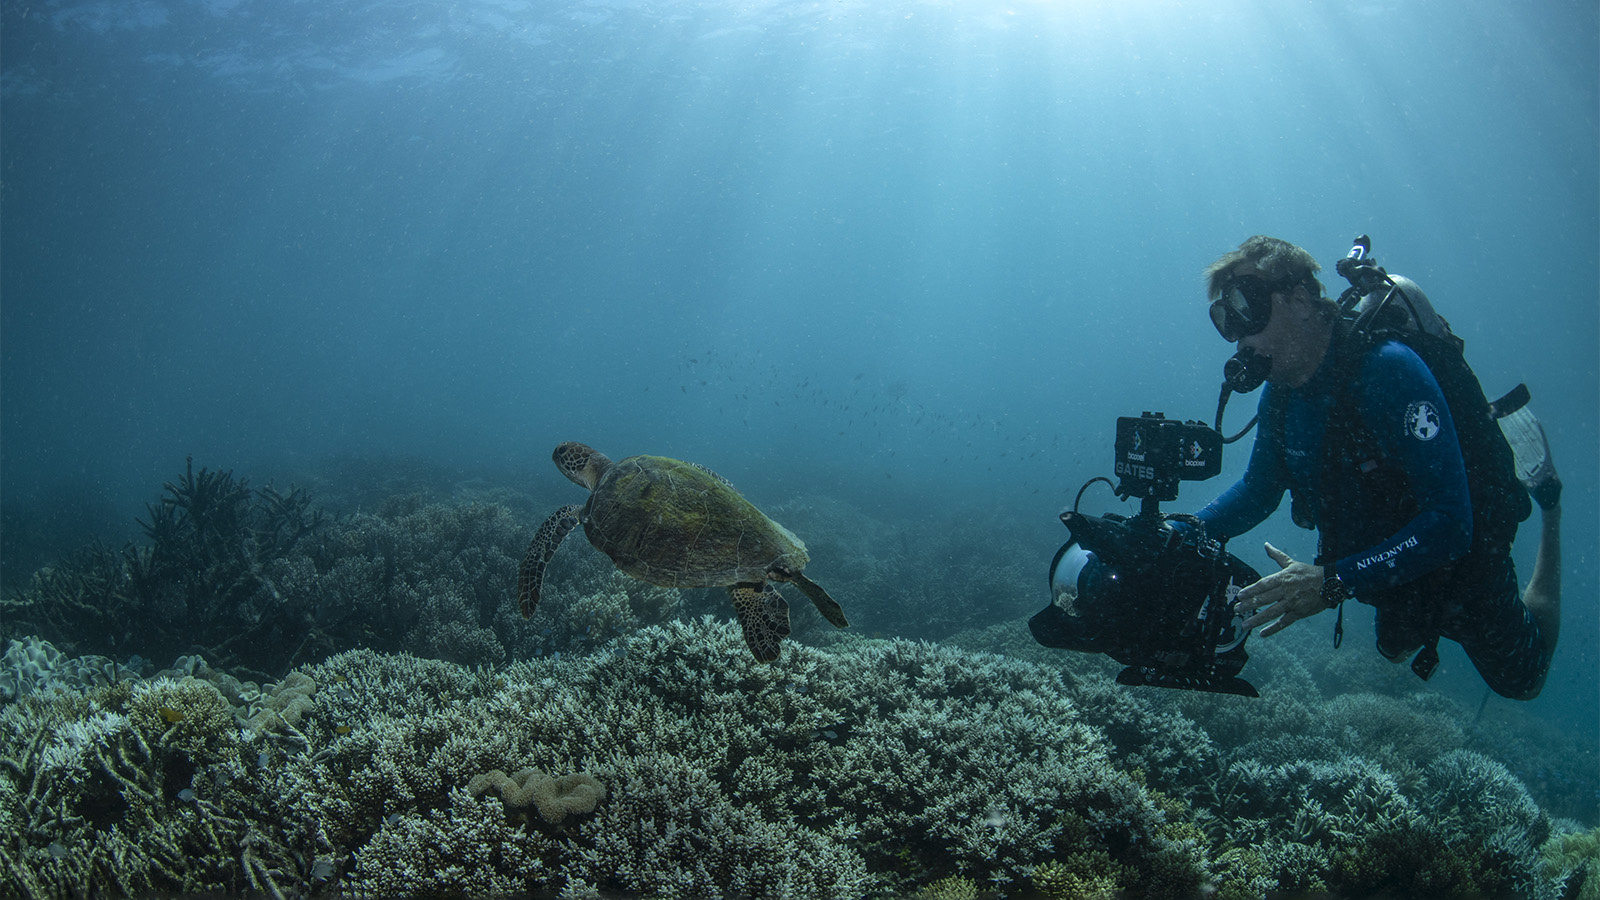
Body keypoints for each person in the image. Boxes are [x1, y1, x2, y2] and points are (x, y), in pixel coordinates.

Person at [1193, 235, 1562, 700]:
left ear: (1300, 301)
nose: (1240, 338)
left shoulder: (1388, 371)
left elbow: (1451, 523)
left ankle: (1550, 501)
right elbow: (1258, 490)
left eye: (1247, 308)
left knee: (1523, 682)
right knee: (1394, 647)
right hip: (1382, 562)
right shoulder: (1281, 396)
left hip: (1462, 561)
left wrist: (1332, 582)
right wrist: (1179, 529)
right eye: (1225, 319)